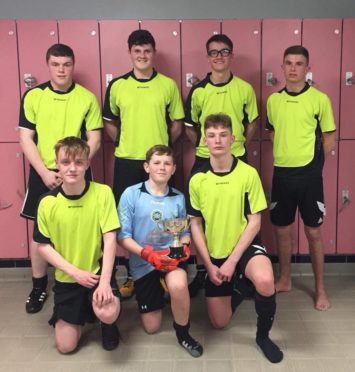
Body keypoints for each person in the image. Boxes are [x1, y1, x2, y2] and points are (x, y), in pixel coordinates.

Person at [188, 114, 283, 363]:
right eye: (211, 135)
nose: (217, 140)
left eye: (223, 135)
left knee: (265, 280)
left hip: (245, 246)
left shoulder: (248, 174)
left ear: (233, 138)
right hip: (215, 252)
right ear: (204, 140)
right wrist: (208, 265)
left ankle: (263, 336)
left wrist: (232, 261)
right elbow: (195, 224)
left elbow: (255, 222)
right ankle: (242, 285)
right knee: (220, 322)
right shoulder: (197, 179)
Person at [19, 43, 102, 314]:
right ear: (48, 65)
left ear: (73, 65)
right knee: (39, 233)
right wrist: (44, 171)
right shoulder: (33, 96)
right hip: (42, 172)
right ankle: (39, 287)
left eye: (66, 64)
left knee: (86, 225)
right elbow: (26, 137)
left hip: (77, 173)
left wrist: (73, 167)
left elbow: (95, 139)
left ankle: (88, 279)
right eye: (56, 64)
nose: (61, 69)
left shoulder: (87, 97)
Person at [103, 29, 184, 300]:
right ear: (130, 53)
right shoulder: (117, 86)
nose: (142, 56)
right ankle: (129, 272)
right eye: (137, 51)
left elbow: (177, 124)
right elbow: (109, 123)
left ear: (153, 52)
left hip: (159, 162)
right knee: (125, 222)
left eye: (147, 51)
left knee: (164, 220)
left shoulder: (168, 85)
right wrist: (127, 143)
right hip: (127, 160)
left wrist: (159, 148)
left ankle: (162, 272)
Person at [184, 34, 259, 297]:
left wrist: (234, 147)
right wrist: (208, 148)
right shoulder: (198, 91)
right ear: (208, 57)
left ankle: (242, 271)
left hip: (236, 158)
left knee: (245, 215)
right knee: (201, 219)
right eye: (214, 52)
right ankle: (205, 270)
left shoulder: (244, 89)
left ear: (231, 55)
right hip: (205, 161)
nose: (219, 56)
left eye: (224, 51)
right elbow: (191, 128)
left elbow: (252, 123)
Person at [33, 137, 120, 353]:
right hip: (68, 279)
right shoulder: (47, 202)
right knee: (66, 347)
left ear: (87, 164)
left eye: (79, 162)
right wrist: (75, 272)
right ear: (57, 164)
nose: (72, 168)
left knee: (108, 312)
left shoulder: (102, 193)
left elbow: (110, 239)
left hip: (97, 275)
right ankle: (83, 312)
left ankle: (107, 323)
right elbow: (43, 246)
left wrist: (105, 282)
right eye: (66, 162)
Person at [266, 45, 336, 311]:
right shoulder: (273, 101)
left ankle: (320, 290)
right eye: (288, 63)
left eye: (299, 63)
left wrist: (316, 165)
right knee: (282, 230)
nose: (293, 68)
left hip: (309, 176)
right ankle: (285, 279)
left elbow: (329, 136)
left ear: (307, 68)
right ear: (282, 67)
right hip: (282, 174)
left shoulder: (319, 99)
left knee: (313, 232)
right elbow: (272, 132)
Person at [118, 145, 203, 358]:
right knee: (152, 326)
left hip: (170, 259)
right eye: (156, 163)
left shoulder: (178, 197)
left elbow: (184, 232)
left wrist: (183, 248)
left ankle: (183, 333)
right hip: (143, 262)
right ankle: (160, 292)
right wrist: (148, 255)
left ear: (174, 168)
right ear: (147, 167)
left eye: (167, 163)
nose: (162, 167)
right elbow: (123, 236)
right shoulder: (131, 194)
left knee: (179, 284)